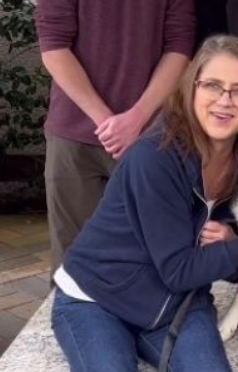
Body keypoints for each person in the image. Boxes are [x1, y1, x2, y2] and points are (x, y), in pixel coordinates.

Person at [50, 35, 238, 372]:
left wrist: (235, 240)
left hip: (178, 305)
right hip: (97, 301)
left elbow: (229, 268)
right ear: (191, 88)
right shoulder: (155, 157)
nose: (224, 100)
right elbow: (179, 269)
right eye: (213, 85)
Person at [35, 0, 196, 281]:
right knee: (72, 261)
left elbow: (180, 48)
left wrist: (136, 118)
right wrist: (108, 122)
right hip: (74, 139)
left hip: (150, 139)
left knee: (154, 255)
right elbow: (53, 46)